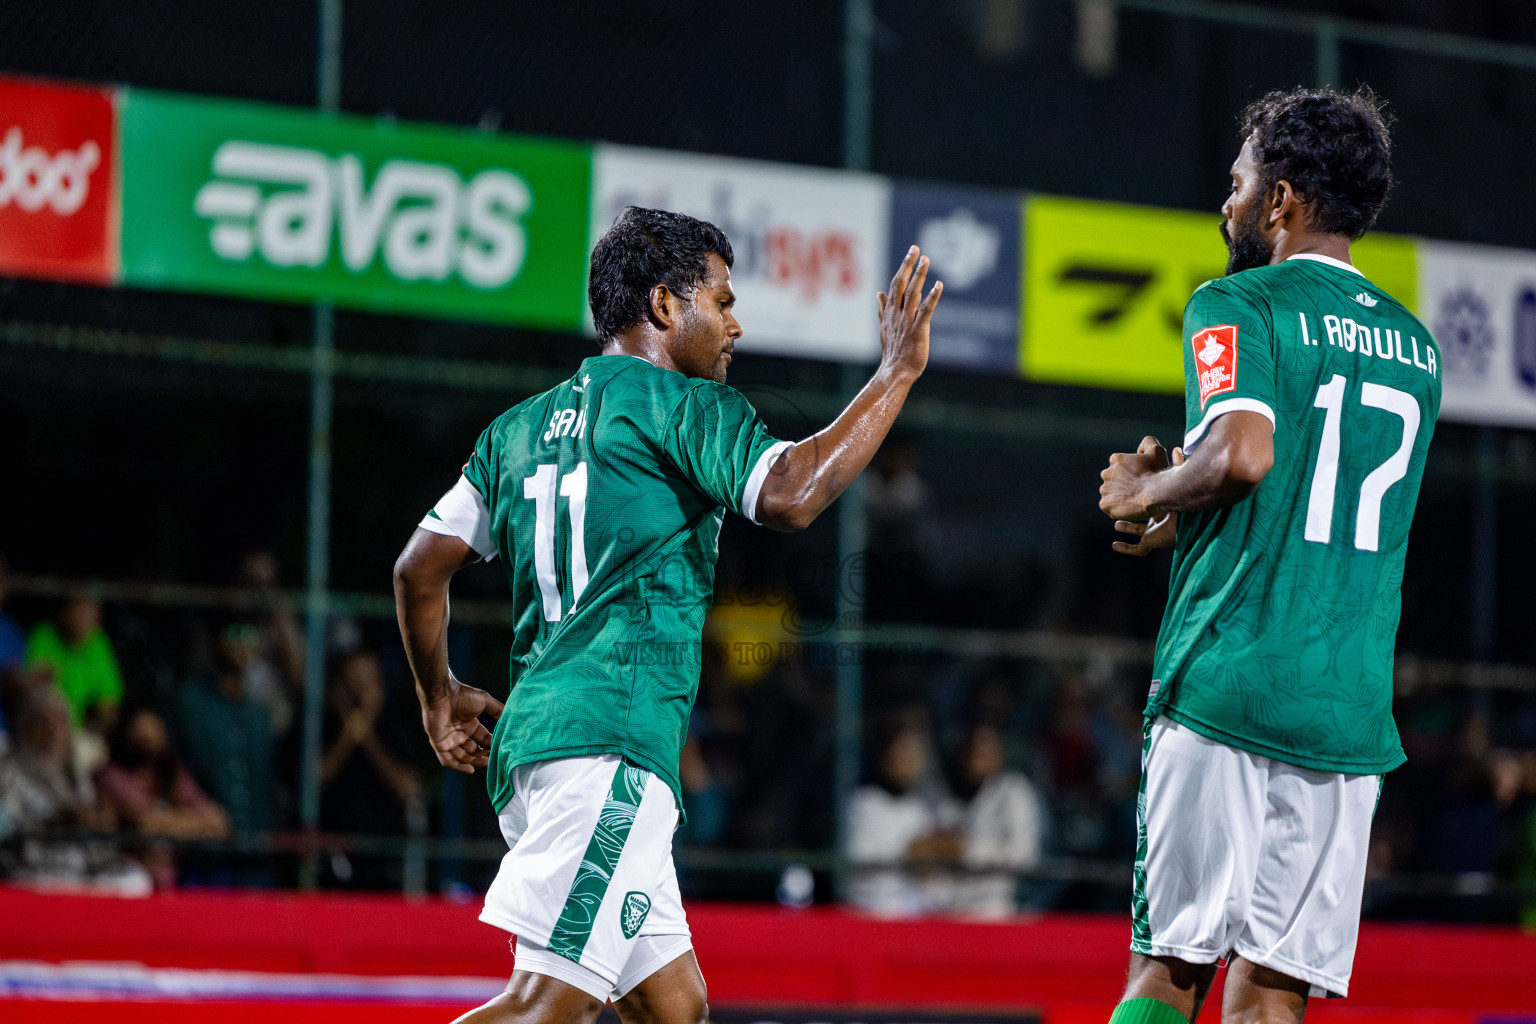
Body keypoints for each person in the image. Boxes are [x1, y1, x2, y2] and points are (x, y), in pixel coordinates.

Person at [394, 207, 940, 1024]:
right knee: (549, 1008)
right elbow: (790, 493)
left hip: (537, 754)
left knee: (674, 1010)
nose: (736, 324)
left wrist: (438, 698)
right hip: (608, 746)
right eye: (720, 301)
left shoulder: (515, 431)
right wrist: (895, 371)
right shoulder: (682, 406)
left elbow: (417, 568)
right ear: (661, 307)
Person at [1097, 87, 1439, 1023]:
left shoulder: (1237, 302)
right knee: (1269, 999)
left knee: (1168, 973)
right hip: (1346, 715)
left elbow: (1244, 456)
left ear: (1280, 200)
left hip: (1228, 686)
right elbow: (1314, 507)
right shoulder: (1416, 348)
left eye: (1238, 181)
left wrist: (1148, 492)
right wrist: (1188, 521)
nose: (1226, 202)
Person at [97, 707, 230, 888]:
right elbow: (145, 824)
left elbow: (219, 823)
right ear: (125, 739)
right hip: (130, 874)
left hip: (177, 873)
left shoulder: (172, 773)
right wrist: (193, 823)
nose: (149, 747)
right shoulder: (111, 775)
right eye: (141, 740)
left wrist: (168, 822)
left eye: (155, 739)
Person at [845, 721, 961, 917]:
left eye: (912, 754)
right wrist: (908, 853)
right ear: (884, 756)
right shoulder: (864, 803)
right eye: (900, 752)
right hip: (871, 915)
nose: (906, 761)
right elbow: (859, 864)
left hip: (917, 918)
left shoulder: (921, 808)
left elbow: (937, 884)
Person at [174, 619, 276, 838]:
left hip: (256, 839)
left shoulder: (259, 710)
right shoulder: (191, 700)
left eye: (250, 634)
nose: (243, 643)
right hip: (208, 837)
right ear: (215, 641)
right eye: (234, 633)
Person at [951, 724, 1043, 918]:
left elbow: (1024, 855)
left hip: (994, 911)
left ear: (999, 756)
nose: (976, 762)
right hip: (951, 910)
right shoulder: (950, 797)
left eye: (985, 755)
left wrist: (966, 849)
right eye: (973, 754)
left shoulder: (1014, 791)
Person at [25, 588, 123, 733]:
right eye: (79, 611)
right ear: (64, 612)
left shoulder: (98, 643)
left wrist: (99, 723)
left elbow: (108, 703)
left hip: (80, 731)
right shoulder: (44, 636)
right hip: (44, 730)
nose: (85, 618)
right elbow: (34, 692)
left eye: (91, 612)